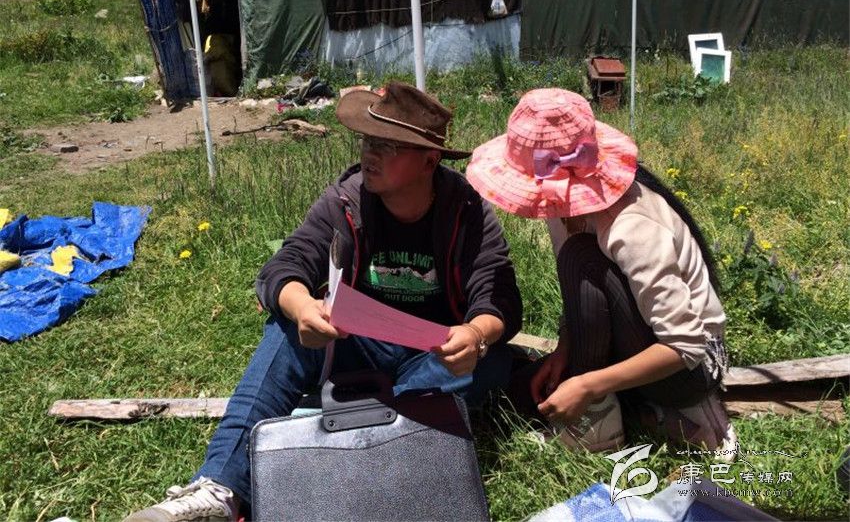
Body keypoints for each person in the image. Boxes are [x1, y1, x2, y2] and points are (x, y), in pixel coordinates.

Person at [124, 81, 523, 522]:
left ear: (429, 160)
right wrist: (302, 307)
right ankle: (221, 489)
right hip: (355, 344)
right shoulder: (347, 200)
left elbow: (499, 296)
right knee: (285, 328)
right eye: (368, 140)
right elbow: (285, 266)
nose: (370, 154)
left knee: (491, 360)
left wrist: (475, 335)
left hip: (434, 355)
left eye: (388, 145)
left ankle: (349, 445)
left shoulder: (466, 210)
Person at [465, 88, 735, 455]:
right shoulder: (563, 209)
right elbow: (583, 294)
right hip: (642, 338)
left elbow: (684, 345)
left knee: (581, 259)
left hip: (691, 368)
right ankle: (640, 413)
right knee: (517, 392)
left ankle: (599, 423)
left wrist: (588, 385)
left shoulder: (632, 227)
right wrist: (565, 348)